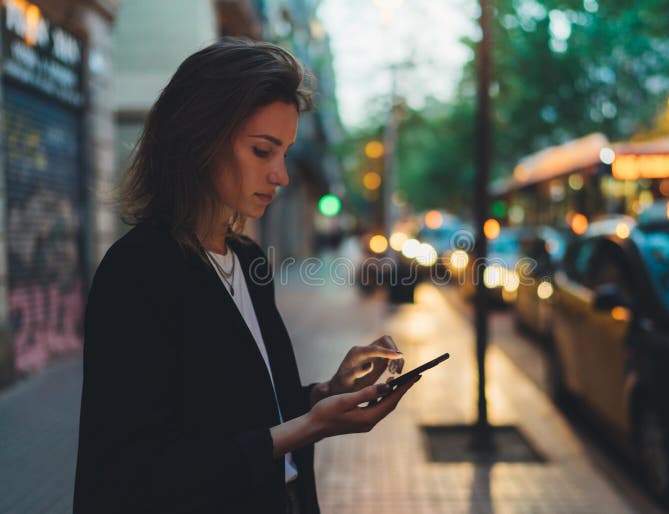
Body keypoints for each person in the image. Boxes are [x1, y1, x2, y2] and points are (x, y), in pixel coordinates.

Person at [73, 38, 417, 514]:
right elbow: (132, 474)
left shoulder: (249, 259)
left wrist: (327, 392)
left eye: (286, 153)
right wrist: (312, 425)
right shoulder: (139, 270)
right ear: (199, 140)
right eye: (262, 151)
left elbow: (247, 413)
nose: (282, 175)